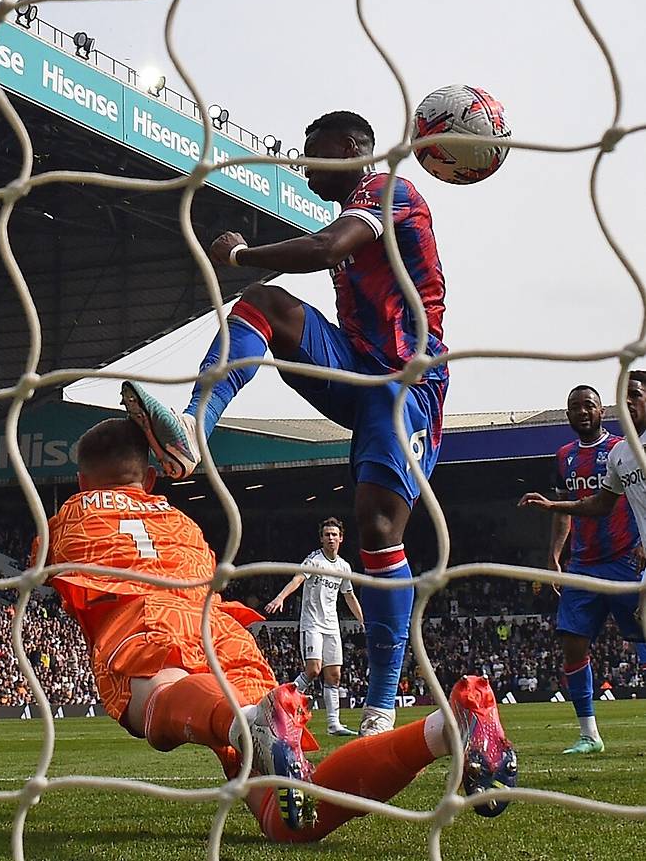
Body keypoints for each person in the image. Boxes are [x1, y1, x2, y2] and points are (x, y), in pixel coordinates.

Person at [121, 110, 449, 736]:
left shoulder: (389, 192)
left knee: (378, 526)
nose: (301, 163)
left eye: (313, 149)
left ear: (354, 149)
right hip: (354, 367)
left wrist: (243, 252)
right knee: (264, 304)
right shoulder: (356, 206)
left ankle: (381, 704)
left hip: (408, 379)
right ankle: (195, 427)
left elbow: (328, 247)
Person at [34, 417, 516, 838]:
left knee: (155, 714)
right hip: (220, 629)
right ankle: (446, 728)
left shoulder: (64, 519)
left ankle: (247, 722)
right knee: (289, 819)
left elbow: (36, 570)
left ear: (79, 479)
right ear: (154, 478)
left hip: (143, 620)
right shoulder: (181, 520)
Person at [519, 379, 646, 754]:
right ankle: (589, 733)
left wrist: (641, 541)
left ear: (601, 410)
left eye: (589, 405)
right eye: (575, 407)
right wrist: (555, 554)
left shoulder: (618, 448)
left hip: (625, 560)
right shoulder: (566, 457)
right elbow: (589, 505)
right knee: (572, 643)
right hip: (583, 566)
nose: (583, 412)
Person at [265, 517, 364, 736]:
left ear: (341, 538)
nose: (331, 538)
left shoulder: (343, 567)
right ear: (321, 539)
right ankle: (282, 704)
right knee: (313, 670)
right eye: (327, 534)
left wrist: (362, 619)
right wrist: (281, 597)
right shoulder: (314, 560)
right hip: (312, 624)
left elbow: (349, 596)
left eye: (334, 534)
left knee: (334, 675)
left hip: (332, 626)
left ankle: (333, 725)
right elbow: (298, 579)